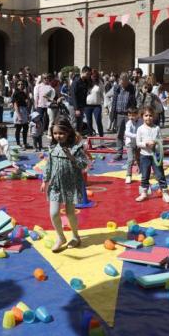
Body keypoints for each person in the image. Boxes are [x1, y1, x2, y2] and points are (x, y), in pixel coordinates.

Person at [40, 116, 88, 252]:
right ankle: (61, 237)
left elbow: (84, 165)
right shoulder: (53, 148)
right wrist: (45, 180)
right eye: (55, 133)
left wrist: (72, 157)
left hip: (70, 185)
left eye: (61, 133)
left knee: (70, 213)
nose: (58, 136)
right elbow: (49, 165)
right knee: (54, 213)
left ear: (68, 133)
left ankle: (75, 236)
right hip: (55, 185)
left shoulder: (76, 148)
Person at [135, 106, 169, 203]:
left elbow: (161, 140)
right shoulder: (140, 129)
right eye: (146, 115)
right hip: (144, 155)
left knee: (160, 174)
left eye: (150, 115)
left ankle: (165, 192)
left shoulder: (156, 128)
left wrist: (155, 142)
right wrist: (146, 144)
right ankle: (143, 192)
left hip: (156, 155)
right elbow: (138, 143)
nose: (148, 117)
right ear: (142, 116)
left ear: (154, 116)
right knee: (145, 175)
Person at [112, 73, 137, 161]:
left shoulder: (131, 87)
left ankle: (133, 154)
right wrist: (112, 115)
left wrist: (133, 114)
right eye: (121, 82)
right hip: (119, 114)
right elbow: (114, 101)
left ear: (127, 81)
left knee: (130, 134)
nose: (123, 84)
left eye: (125, 82)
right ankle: (119, 153)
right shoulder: (117, 87)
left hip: (128, 114)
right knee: (119, 134)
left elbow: (134, 101)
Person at [84, 70, 104, 137]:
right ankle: (90, 139)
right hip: (87, 105)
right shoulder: (86, 83)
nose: (93, 77)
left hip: (97, 105)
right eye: (92, 75)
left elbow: (103, 93)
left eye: (95, 76)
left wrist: (104, 104)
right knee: (89, 123)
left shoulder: (100, 83)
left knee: (98, 121)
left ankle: (101, 139)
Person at [123, 107, 141, 184]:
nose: (131, 117)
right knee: (130, 159)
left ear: (138, 115)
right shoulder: (129, 123)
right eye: (129, 115)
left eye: (133, 115)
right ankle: (128, 175)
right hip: (130, 144)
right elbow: (126, 133)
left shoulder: (141, 122)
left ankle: (140, 172)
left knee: (139, 159)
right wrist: (136, 135)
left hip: (138, 144)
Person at [72, 66, 91, 132]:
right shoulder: (76, 82)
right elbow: (74, 96)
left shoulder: (85, 81)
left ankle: (78, 140)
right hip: (76, 107)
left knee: (80, 125)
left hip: (82, 106)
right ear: (83, 72)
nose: (89, 76)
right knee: (76, 125)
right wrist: (76, 109)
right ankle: (74, 141)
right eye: (88, 74)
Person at [12, 79, 30, 149]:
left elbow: (27, 102)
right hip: (19, 111)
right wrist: (19, 116)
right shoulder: (16, 93)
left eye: (22, 84)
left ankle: (25, 143)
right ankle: (18, 143)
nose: (20, 86)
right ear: (16, 85)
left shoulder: (23, 93)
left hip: (24, 110)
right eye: (19, 84)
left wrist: (28, 113)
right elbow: (15, 105)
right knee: (18, 128)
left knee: (25, 127)